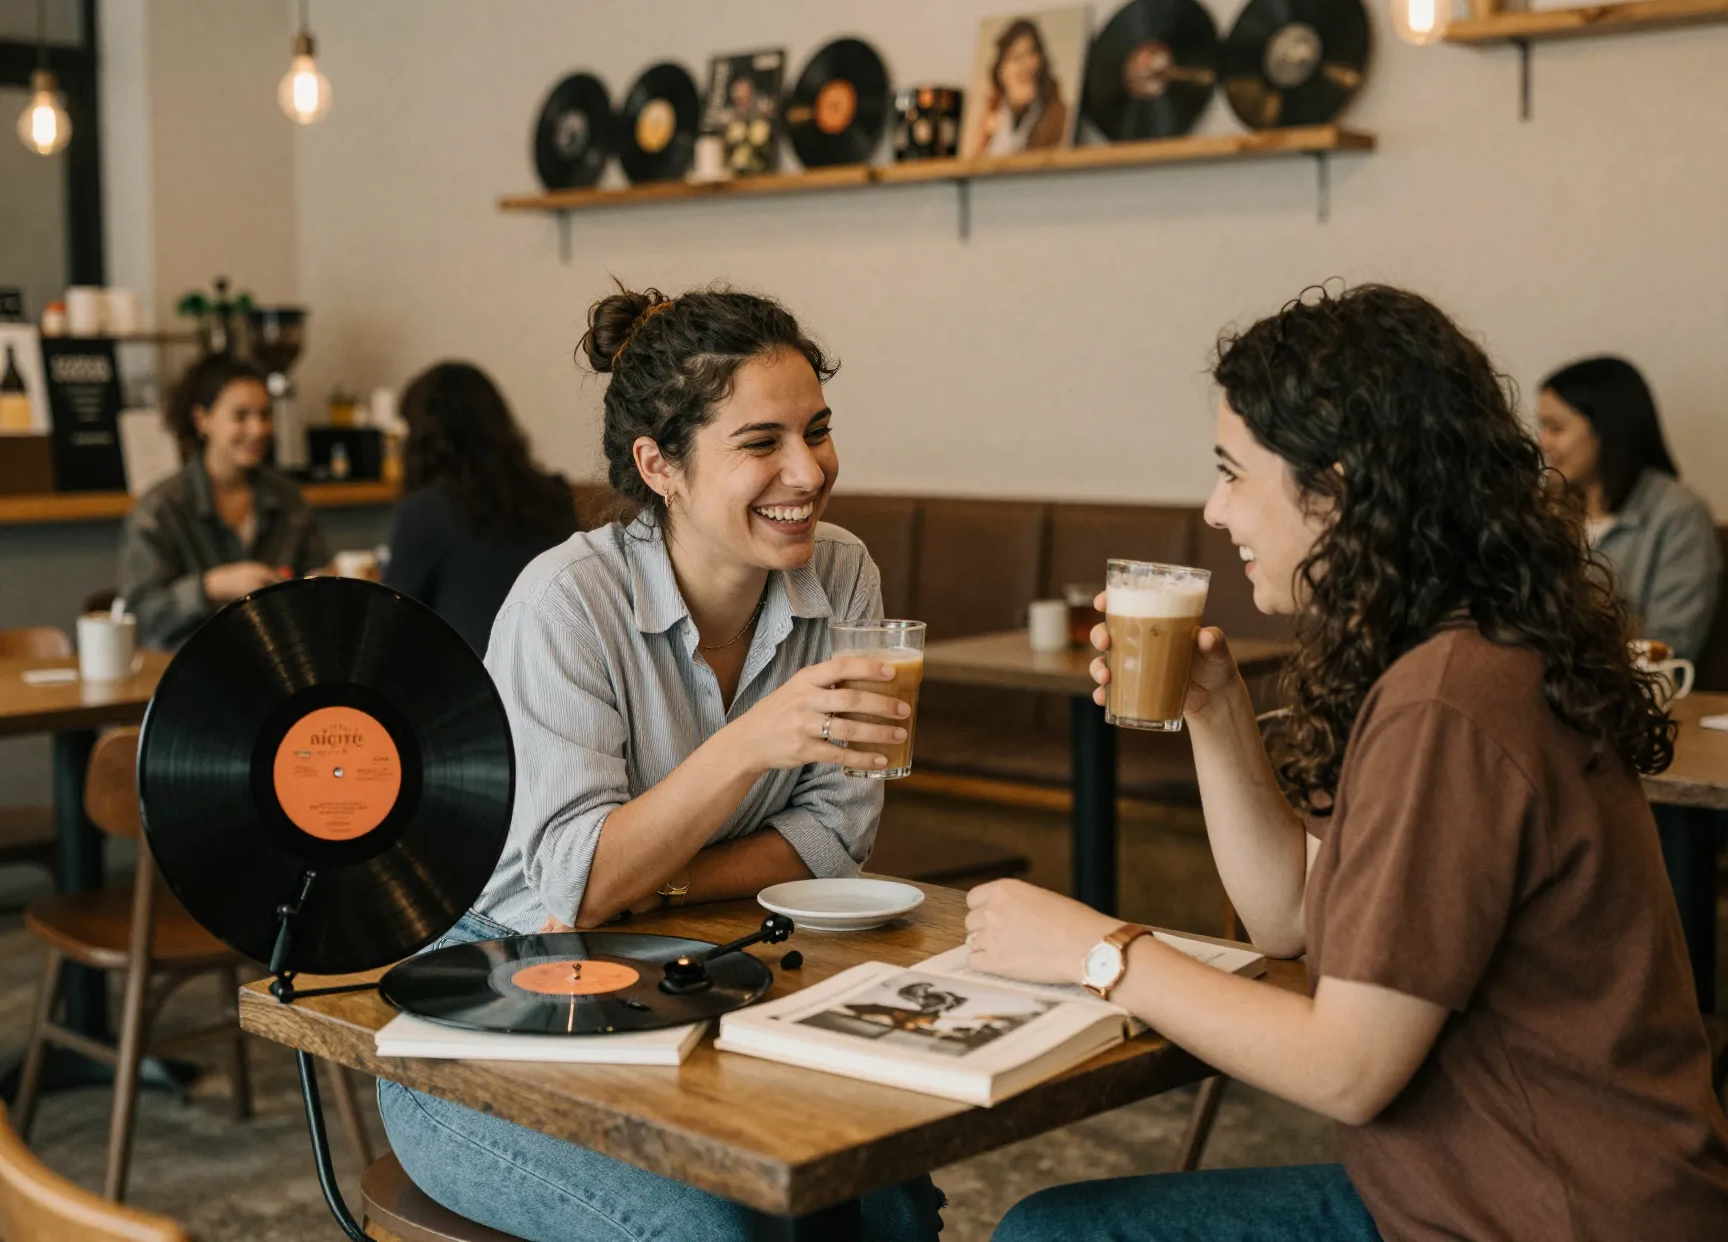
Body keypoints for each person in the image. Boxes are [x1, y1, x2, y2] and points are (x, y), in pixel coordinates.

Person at [974, 286, 1728, 1241]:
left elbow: (1347, 1070)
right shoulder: (1459, 652)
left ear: (1334, 486)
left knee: (1055, 1237)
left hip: (1543, 1217)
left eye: (1233, 473)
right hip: (1487, 1196)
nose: (1214, 510)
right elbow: (1288, 914)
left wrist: (1097, 951)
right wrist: (1215, 715)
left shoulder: (1450, 701)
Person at [376, 285, 942, 1240]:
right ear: (659, 466)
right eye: (761, 443)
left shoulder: (840, 572)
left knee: (886, 1204)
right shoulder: (568, 601)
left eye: (819, 429)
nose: (808, 470)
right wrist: (751, 746)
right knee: (712, 1234)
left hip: (694, 967)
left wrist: (663, 882)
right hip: (485, 999)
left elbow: (836, 836)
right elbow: (581, 886)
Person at [119, 354, 328, 650]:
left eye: (265, 415)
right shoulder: (161, 508)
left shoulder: (288, 498)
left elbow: (317, 570)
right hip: (192, 672)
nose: (258, 430)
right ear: (202, 420)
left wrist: (321, 582)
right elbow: (140, 616)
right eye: (241, 416)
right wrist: (210, 586)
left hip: (280, 666)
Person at [383, 361, 578, 653]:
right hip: (556, 674)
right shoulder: (554, 497)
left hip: (471, 688)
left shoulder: (425, 512)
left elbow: (388, 623)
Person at [1538, 355, 1721, 659]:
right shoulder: (1544, 508)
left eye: (1556, 428)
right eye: (1541, 427)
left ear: (1606, 429)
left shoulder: (1678, 514)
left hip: (1624, 691)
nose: (1543, 442)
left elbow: (1671, 643)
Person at [967, 17, 1069, 157]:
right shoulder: (991, 117)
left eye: (1030, 54)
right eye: (1016, 57)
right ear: (1001, 71)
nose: (1025, 66)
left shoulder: (1056, 115)